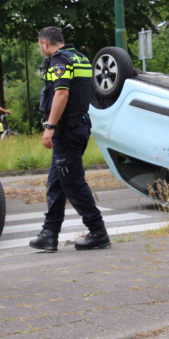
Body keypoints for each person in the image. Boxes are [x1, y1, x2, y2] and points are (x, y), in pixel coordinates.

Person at [29, 27, 109, 252]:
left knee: (72, 182)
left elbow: (61, 93)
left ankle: (98, 231)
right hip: (79, 126)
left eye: (39, 44)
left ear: (45, 43)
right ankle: (49, 234)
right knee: (56, 182)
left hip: (67, 130)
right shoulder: (81, 58)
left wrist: (50, 126)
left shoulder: (59, 61)